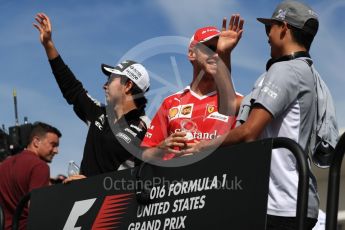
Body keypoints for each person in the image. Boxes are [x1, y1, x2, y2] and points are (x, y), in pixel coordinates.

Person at [185, 1, 338, 229]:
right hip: (284, 203)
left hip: (282, 206)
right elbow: (227, 106)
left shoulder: (287, 70)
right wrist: (224, 54)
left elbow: (248, 133)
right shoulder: (295, 70)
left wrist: (201, 147)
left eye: (270, 28)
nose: (267, 35)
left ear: (284, 29)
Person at [33, 13, 150, 178]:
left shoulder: (147, 128)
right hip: (84, 198)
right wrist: (48, 45)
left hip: (117, 201)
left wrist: (90, 184)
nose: (104, 85)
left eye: (110, 80)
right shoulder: (99, 113)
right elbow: (72, 88)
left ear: (128, 86)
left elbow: (145, 178)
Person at [141, 15, 244, 161]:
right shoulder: (170, 103)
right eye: (210, 48)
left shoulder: (237, 102)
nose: (216, 54)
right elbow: (145, 155)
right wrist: (161, 148)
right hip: (173, 182)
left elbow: (246, 148)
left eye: (219, 49)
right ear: (191, 54)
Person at [0, 122, 61, 230]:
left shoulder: (4, 165)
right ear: (36, 141)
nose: (56, 151)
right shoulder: (40, 166)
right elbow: (38, 212)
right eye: (53, 145)